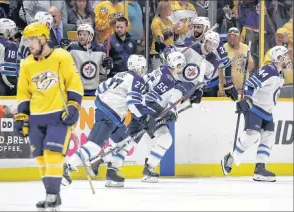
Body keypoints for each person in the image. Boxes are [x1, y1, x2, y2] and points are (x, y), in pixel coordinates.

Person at [13, 22, 83, 210]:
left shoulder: (62, 56)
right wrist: (22, 116)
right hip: (36, 117)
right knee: (40, 157)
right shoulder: (27, 63)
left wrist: (74, 105)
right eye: (27, 40)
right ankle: (52, 195)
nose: (29, 44)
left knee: (53, 155)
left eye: (32, 40)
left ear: (43, 38)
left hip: (58, 115)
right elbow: (23, 93)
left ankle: (52, 194)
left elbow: (74, 83)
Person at [62, 54, 156, 187]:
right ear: (140, 68)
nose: (143, 71)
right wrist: (145, 116)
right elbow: (133, 102)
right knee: (94, 146)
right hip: (110, 114)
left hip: (111, 114)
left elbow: (99, 89)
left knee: (125, 142)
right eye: (143, 68)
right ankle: (67, 167)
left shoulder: (119, 75)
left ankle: (112, 172)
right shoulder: (137, 80)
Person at [104, 51, 186, 186]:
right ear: (173, 64)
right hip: (146, 111)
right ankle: (115, 170)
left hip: (144, 110)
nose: (181, 67)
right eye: (179, 65)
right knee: (131, 141)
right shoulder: (167, 79)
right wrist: (163, 112)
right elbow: (149, 99)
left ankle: (138, 170)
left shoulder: (164, 71)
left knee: (133, 140)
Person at [221, 46, 291, 182]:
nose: (289, 58)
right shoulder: (269, 70)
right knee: (253, 135)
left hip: (267, 112)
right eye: (286, 56)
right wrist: (247, 99)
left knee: (268, 137)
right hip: (255, 108)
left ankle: (260, 169)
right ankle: (230, 156)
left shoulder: (280, 74)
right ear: (279, 58)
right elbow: (250, 84)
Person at [186, 16, 238, 100]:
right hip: (192, 84)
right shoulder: (189, 41)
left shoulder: (215, 42)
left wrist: (229, 84)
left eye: (198, 27)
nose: (195, 29)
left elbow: (226, 64)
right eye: (195, 27)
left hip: (211, 86)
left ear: (206, 27)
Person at [67, 23, 113, 96]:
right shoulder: (72, 50)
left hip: (94, 90)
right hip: (78, 90)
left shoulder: (100, 51)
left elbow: (104, 73)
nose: (81, 37)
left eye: (84, 35)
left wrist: (107, 66)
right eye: (80, 34)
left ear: (91, 36)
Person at [218, 27, 255, 95]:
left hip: (243, 88)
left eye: (234, 36)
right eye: (230, 36)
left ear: (239, 37)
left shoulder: (245, 47)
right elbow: (218, 69)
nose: (232, 38)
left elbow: (251, 65)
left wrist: (250, 65)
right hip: (226, 89)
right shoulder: (222, 49)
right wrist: (221, 87)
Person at [0, 18, 19, 96]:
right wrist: (17, 85)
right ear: (6, 31)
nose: (15, 32)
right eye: (13, 30)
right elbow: (8, 73)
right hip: (0, 82)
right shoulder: (10, 45)